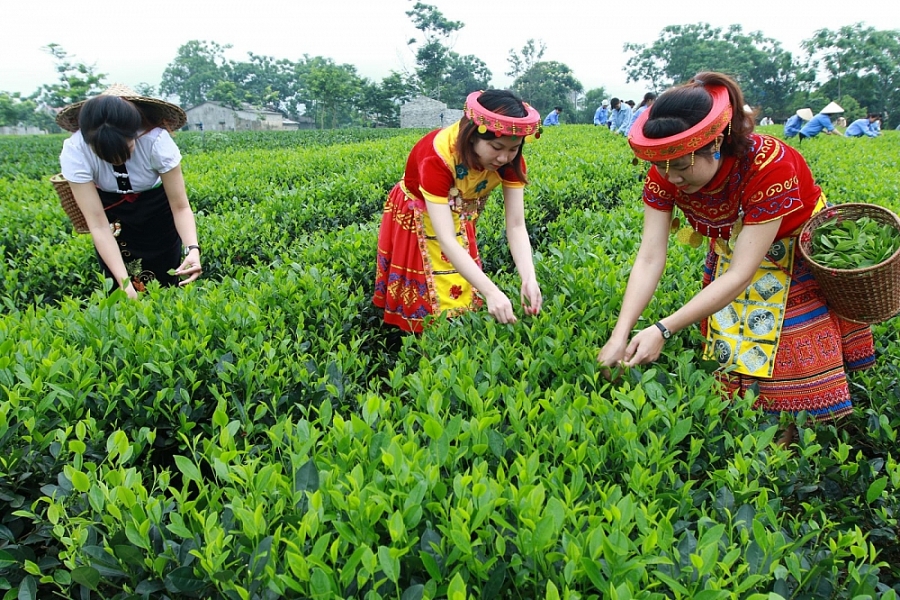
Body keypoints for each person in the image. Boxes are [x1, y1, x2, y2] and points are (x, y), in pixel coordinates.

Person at [600, 71, 874, 443]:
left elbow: (744, 272)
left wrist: (663, 328)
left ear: (716, 143)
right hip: (732, 245)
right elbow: (650, 257)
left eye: (681, 167)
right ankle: (749, 443)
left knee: (789, 357)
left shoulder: (769, 164)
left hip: (791, 250)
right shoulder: (665, 170)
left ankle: (799, 448)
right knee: (734, 356)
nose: (672, 179)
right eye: (664, 168)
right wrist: (621, 335)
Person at [373, 89, 543, 333]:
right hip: (419, 210)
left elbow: (516, 225)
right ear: (472, 135)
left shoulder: (510, 163)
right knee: (430, 294)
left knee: (460, 290)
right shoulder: (437, 157)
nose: (504, 157)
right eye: (496, 147)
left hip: (458, 208)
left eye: (513, 149)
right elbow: (446, 240)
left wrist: (529, 278)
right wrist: (492, 292)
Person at [57, 84, 202, 298]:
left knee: (166, 285)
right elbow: (97, 224)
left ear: (135, 132)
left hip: (156, 212)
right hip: (111, 214)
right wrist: (124, 283)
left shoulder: (156, 141)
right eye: (105, 155)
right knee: (120, 291)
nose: (117, 160)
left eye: (127, 150)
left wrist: (193, 249)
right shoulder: (76, 150)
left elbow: (180, 206)